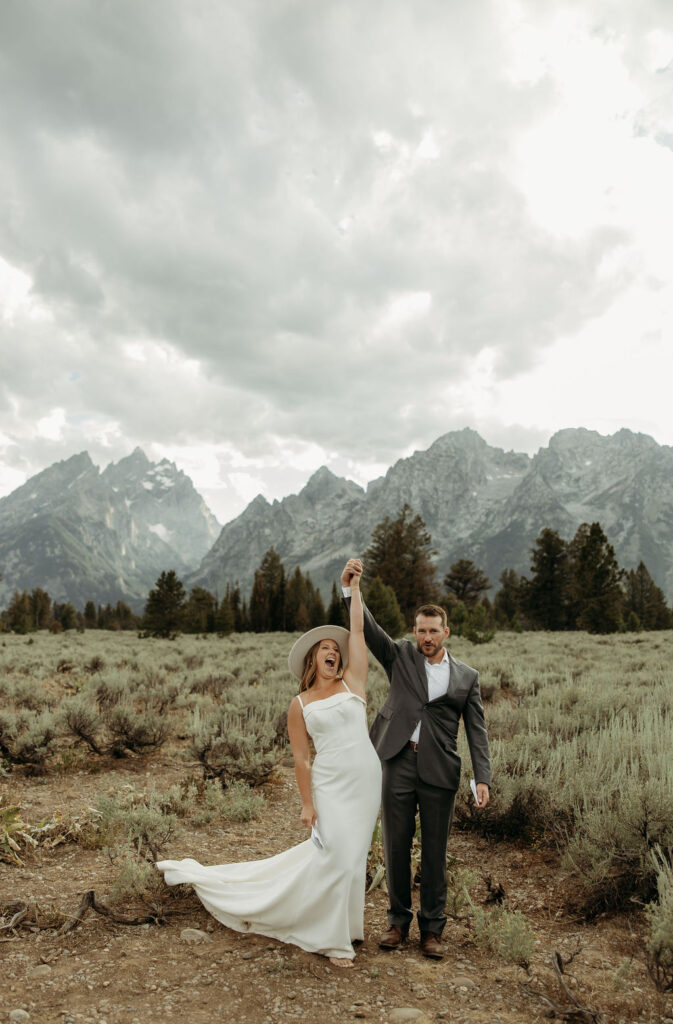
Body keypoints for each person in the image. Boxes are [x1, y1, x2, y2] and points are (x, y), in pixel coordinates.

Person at [156, 561, 381, 968]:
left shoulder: (355, 683)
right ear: (314, 661)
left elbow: (360, 631)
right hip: (331, 785)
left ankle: (345, 926)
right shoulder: (299, 705)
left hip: (366, 781)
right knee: (335, 854)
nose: (333, 652)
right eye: (325, 650)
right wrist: (308, 804)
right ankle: (332, 940)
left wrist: (353, 589)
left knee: (353, 857)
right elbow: (301, 759)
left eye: (336, 649)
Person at [341, 557, 491, 961]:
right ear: (415, 631)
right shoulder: (401, 657)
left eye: (433, 631)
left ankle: (432, 931)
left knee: (435, 852)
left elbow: (477, 729)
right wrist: (352, 590)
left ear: (446, 632)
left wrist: (483, 777)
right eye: (421, 630)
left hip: (440, 768)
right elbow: (368, 631)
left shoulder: (467, 678)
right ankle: (396, 923)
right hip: (397, 761)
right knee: (395, 845)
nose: (427, 637)